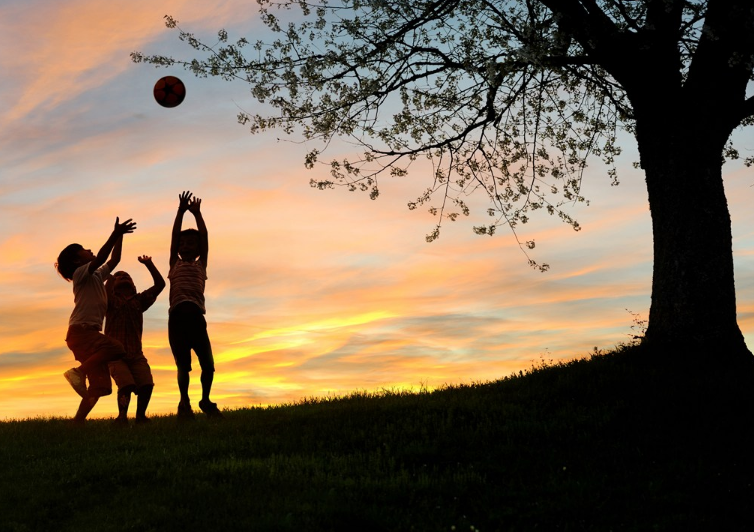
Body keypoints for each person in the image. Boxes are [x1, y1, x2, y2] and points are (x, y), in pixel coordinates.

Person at [55, 217, 136, 423]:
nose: (88, 249)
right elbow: (100, 257)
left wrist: (120, 237)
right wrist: (115, 233)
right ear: (76, 260)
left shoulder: (97, 276)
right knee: (117, 348)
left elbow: (114, 259)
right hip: (82, 332)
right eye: (83, 249)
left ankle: (78, 422)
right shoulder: (80, 273)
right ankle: (77, 372)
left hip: (86, 335)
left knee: (101, 387)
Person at [168, 191, 223, 419]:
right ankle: (184, 402)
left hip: (197, 319)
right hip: (177, 319)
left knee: (208, 365)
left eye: (191, 243)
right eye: (183, 243)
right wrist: (180, 211)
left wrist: (198, 214)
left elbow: (205, 236)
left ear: (198, 249)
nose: (186, 245)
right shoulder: (174, 264)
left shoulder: (202, 265)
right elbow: (173, 237)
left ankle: (205, 400)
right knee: (183, 365)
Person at [105, 256, 165, 425]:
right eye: (119, 276)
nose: (123, 277)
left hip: (136, 353)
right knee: (126, 384)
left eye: (127, 276)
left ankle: (140, 416)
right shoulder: (109, 300)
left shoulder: (139, 300)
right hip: (115, 354)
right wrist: (108, 276)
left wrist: (149, 264)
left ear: (133, 285)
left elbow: (160, 285)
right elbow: (104, 292)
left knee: (146, 383)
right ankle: (122, 416)